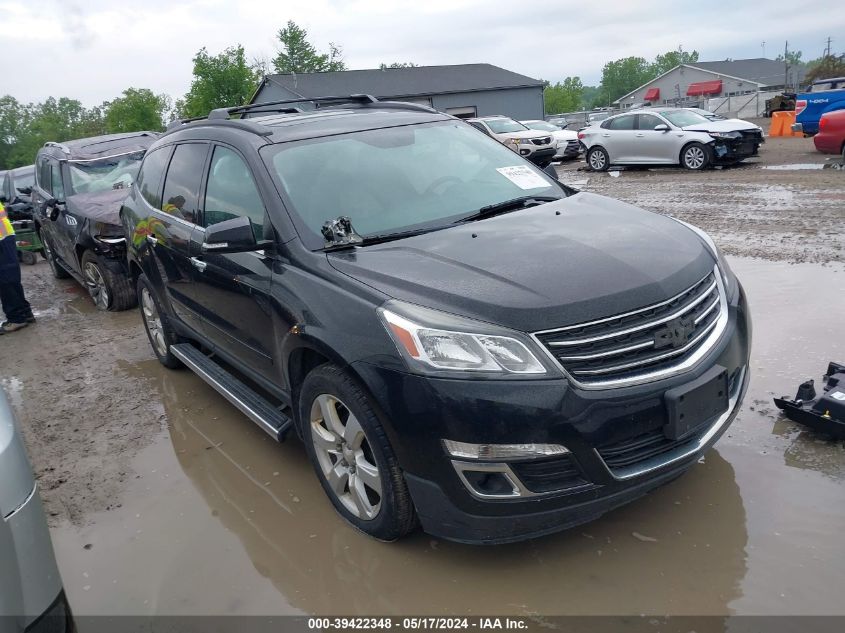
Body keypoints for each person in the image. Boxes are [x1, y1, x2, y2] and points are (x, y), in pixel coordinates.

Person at [0, 201, 35, 334]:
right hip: (5, 236)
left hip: (2, 239)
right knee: (11, 279)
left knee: (6, 281)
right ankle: (25, 313)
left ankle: (17, 318)